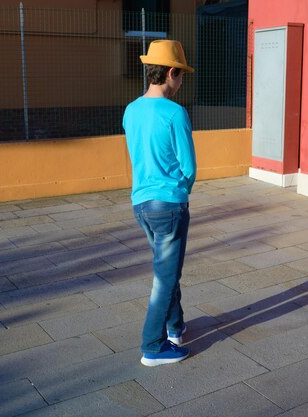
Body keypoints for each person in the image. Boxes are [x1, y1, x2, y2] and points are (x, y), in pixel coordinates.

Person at [123, 40, 196, 367]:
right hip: (169, 205)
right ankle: (153, 346)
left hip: (141, 205)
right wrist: (182, 191)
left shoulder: (131, 109)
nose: (181, 83)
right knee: (165, 277)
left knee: (168, 270)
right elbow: (189, 166)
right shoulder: (175, 113)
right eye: (181, 76)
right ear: (171, 73)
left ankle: (175, 328)